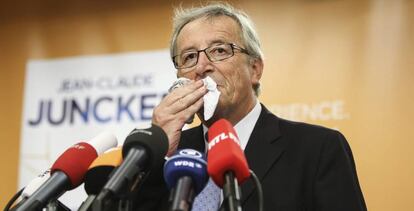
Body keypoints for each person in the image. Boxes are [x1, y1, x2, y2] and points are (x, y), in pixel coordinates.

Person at [134, 3, 367, 211]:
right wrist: (160, 150)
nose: (201, 67)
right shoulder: (167, 156)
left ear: (255, 69)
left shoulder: (318, 149)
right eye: (189, 57)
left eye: (219, 50)